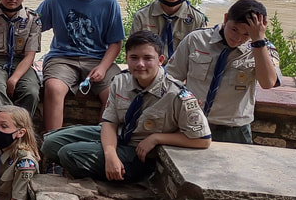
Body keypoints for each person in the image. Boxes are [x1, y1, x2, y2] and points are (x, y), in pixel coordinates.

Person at [41, 31, 211, 183]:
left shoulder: (176, 94)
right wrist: (110, 154)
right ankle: (107, 165)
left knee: (69, 154)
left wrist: (157, 138)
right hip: (117, 137)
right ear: (127, 58)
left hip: (137, 154)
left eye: (147, 58)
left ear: (160, 60)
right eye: (134, 58)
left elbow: (202, 140)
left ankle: (113, 177)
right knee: (49, 142)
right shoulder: (121, 81)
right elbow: (109, 122)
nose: (140, 64)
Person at [165, 0, 282, 144]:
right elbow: (170, 78)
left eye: (246, 34)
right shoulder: (196, 39)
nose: (237, 37)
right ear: (226, 18)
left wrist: (258, 41)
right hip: (192, 122)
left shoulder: (262, 50)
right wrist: (182, 98)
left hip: (234, 130)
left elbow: (268, 82)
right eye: (234, 29)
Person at [36, 0, 124, 133]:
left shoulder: (109, 2)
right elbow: (31, 25)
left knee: (115, 92)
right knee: (53, 88)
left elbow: (116, 42)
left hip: (98, 59)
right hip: (62, 58)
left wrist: (102, 67)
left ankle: (99, 143)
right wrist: (3, 8)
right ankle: (52, 146)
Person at [130, 0, 208, 58]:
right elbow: (134, 50)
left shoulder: (197, 19)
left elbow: (200, 54)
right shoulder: (142, 16)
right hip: (151, 69)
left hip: (183, 70)